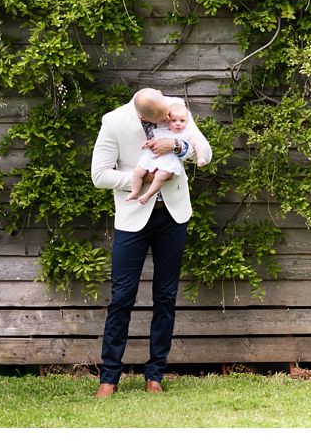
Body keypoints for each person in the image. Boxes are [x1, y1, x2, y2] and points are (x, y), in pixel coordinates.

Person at [89, 88, 213, 397]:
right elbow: (100, 175)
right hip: (133, 218)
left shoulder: (174, 107)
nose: (169, 118)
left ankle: (155, 374)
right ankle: (109, 377)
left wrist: (179, 145)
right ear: (142, 115)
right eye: (161, 119)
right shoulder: (114, 122)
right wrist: (142, 178)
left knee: (166, 297)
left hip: (173, 216)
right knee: (121, 298)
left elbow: (204, 154)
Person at [124, 102, 204, 205]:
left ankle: (148, 194)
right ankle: (135, 191)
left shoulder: (187, 134)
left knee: (160, 176)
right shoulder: (161, 131)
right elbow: (153, 140)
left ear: (187, 121)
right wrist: (147, 144)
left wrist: (201, 158)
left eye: (182, 121)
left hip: (168, 162)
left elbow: (197, 145)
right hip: (151, 159)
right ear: (167, 120)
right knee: (137, 172)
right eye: (174, 120)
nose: (178, 123)